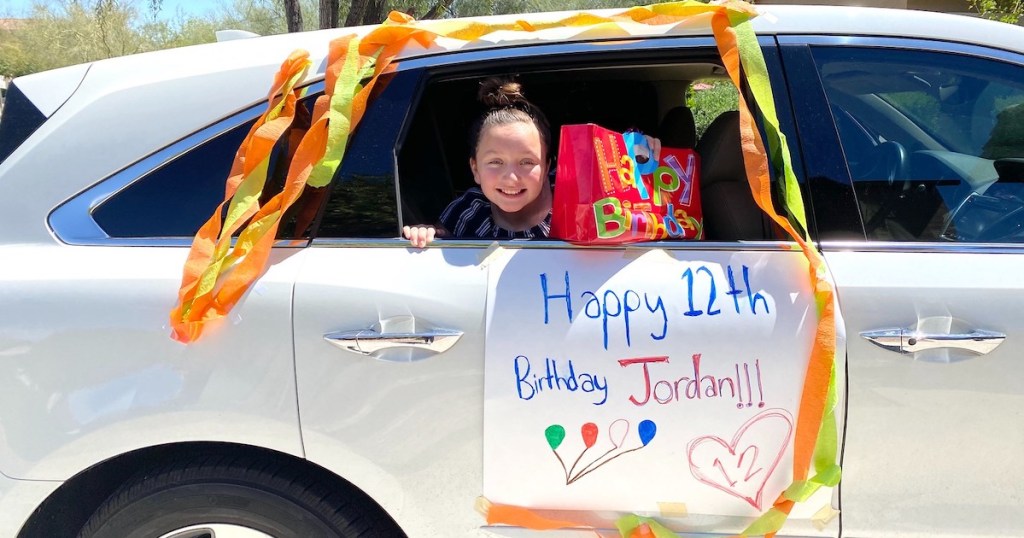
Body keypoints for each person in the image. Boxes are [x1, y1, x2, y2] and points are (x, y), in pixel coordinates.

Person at [403, 77, 554, 248]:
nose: (511, 178)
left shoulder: (574, 204)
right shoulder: (468, 211)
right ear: (475, 169)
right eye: (496, 162)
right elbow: (438, 242)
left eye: (526, 162)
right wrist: (424, 233)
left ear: (547, 167)